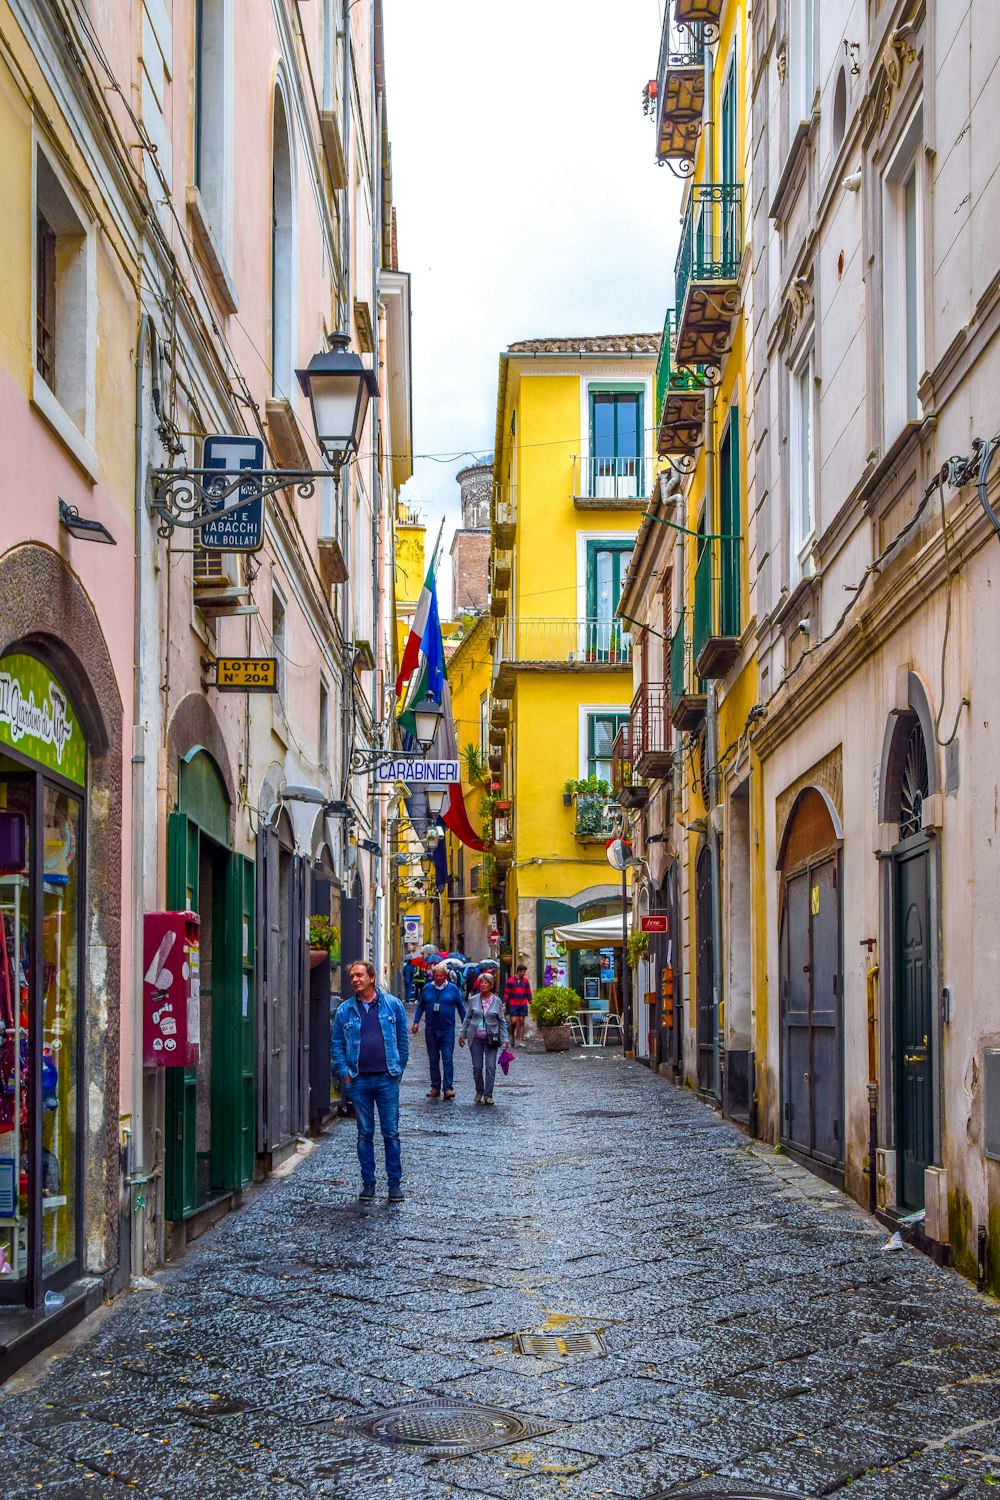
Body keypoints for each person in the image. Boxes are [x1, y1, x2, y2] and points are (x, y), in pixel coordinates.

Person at [331, 960, 409, 1202]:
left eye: (359, 975)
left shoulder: (392, 1006)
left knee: (391, 1132)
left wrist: (397, 1071)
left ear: (372, 978)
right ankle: (369, 1184)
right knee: (364, 1132)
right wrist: (345, 1071)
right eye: (352, 976)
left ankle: (394, 1184)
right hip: (359, 1080)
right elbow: (336, 1044)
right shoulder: (345, 1010)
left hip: (386, 1078)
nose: (355, 979)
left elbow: (402, 1042)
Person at [412, 962, 466, 1099]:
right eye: (436, 975)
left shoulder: (453, 989)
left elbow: (461, 1008)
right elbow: (420, 1006)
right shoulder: (427, 988)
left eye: (441, 975)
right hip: (431, 1029)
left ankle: (448, 1088)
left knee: (447, 1058)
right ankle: (435, 1086)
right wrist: (416, 1022)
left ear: (445, 976)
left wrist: (465, 1028)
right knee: (433, 1059)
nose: (438, 978)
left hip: (447, 1029)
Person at [459, 971, 509, 1105]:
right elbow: (467, 1018)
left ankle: (488, 1095)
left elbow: (502, 1021)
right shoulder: (473, 999)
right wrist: (462, 1034)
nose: (483, 985)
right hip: (475, 1037)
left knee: (491, 1066)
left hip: (491, 1038)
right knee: (477, 1066)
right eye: (481, 982)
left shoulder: (497, 1001)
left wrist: (505, 1038)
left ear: (491, 985)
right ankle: (479, 1091)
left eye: (486, 982)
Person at [503, 964, 532, 1046]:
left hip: (522, 1003)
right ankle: (512, 1036)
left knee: (522, 1021)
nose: (524, 974)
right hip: (513, 1003)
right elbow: (506, 993)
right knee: (513, 1021)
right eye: (523, 972)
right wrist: (504, 1003)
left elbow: (528, 992)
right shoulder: (510, 981)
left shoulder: (525, 981)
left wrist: (530, 1001)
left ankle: (519, 1041)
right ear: (519, 971)